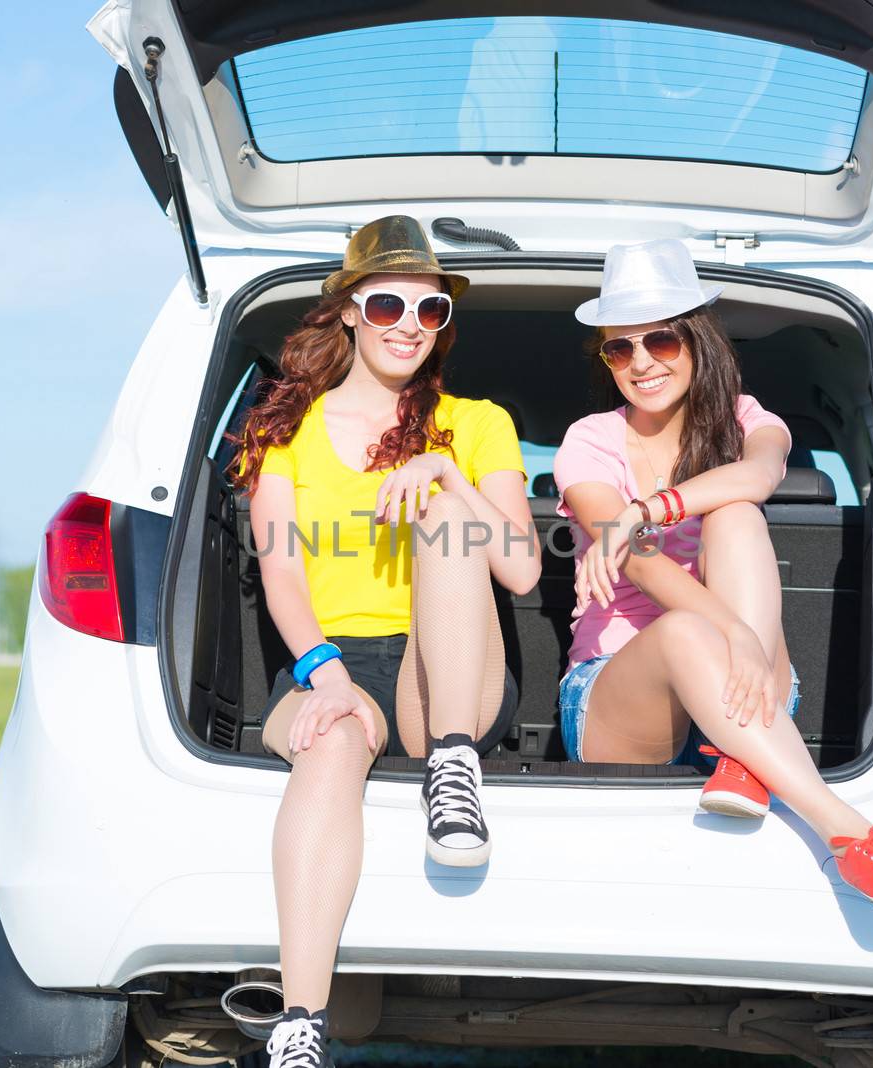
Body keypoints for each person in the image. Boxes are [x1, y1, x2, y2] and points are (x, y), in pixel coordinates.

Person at [229, 216, 538, 1067]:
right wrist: (321, 674)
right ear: (350, 311)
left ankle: (451, 765)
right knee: (328, 739)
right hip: (334, 660)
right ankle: (300, 1025)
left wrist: (446, 475)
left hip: (450, 670)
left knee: (445, 512)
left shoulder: (476, 424)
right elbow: (283, 575)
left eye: (432, 308)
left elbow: (519, 572)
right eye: (390, 302)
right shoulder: (281, 431)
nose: (410, 321)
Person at [552, 238, 873, 912]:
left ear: (698, 341)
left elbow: (763, 474)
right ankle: (843, 829)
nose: (641, 362)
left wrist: (647, 507)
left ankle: (744, 754)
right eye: (621, 348)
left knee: (737, 512)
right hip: (621, 694)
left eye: (662, 341)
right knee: (682, 634)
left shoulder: (744, 419)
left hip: (746, 686)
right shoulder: (589, 439)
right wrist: (729, 629)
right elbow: (638, 562)